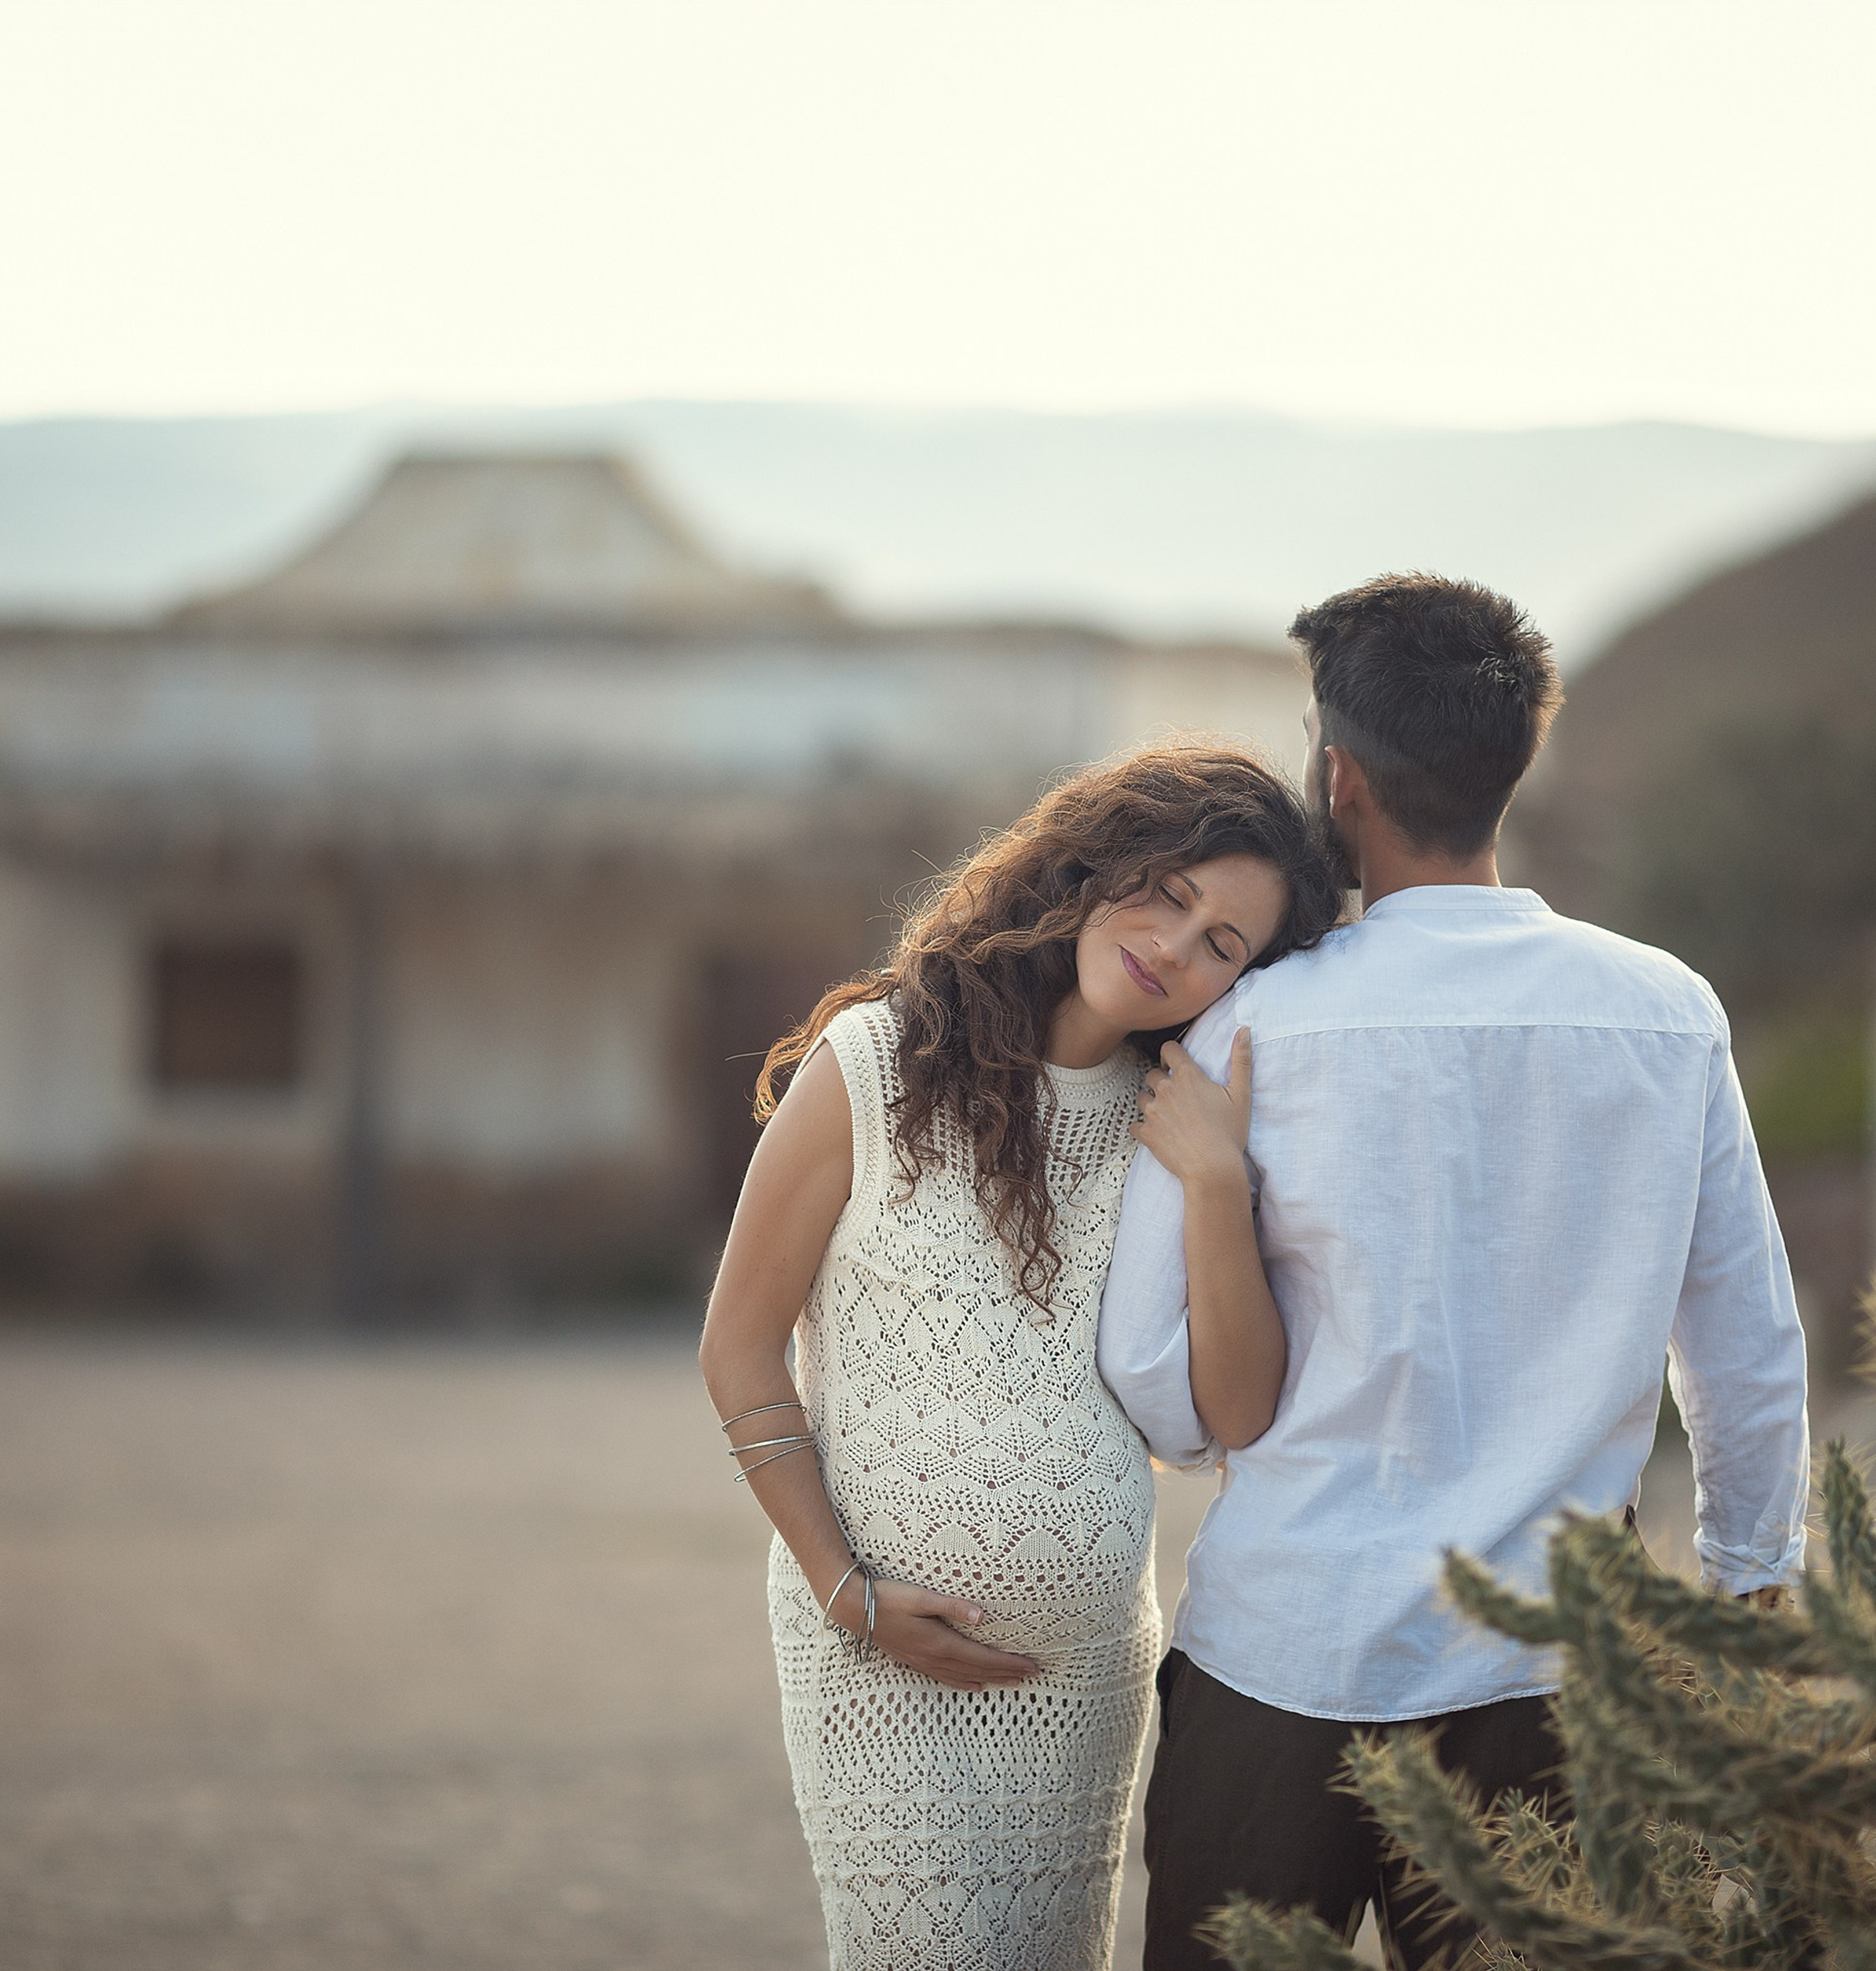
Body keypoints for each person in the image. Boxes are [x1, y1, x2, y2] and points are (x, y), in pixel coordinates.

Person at [1098, 574, 1811, 1971]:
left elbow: (1157, 1383)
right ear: (1510, 770)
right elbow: (1745, 1346)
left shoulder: (1247, 1027)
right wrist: (1750, 1590)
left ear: (1340, 777)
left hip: (1280, 1660)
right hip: (1554, 1679)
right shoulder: (1667, 1015)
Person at [698, 742, 1344, 1971]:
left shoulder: (1177, 1119)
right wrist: (846, 1590)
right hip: (878, 1655)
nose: (1175, 945)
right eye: (1169, 892)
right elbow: (736, 1347)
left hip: (1084, 1671)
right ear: (1100, 859)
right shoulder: (875, 1065)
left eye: (1222, 943)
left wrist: (1218, 1182)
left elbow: (1236, 1412)